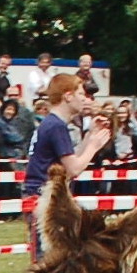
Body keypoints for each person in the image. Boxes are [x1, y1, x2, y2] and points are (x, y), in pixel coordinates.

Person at [21, 73, 112, 262]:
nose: (85, 99)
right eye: (81, 94)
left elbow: (70, 159)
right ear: (68, 96)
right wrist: (94, 147)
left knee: (59, 257)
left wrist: (90, 135)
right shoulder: (56, 126)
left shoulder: (52, 124)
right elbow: (73, 169)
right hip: (45, 198)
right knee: (49, 261)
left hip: (45, 196)